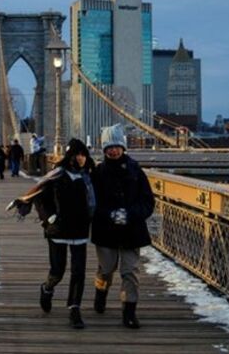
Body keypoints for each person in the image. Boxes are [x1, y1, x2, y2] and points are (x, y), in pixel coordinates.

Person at [10, 138, 95, 328]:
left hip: (80, 228)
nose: (81, 158)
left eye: (83, 154)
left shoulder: (89, 176)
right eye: (77, 154)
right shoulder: (57, 175)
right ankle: (47, 288)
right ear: (70, 156)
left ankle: (74, 308)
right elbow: (40, 198)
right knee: (58, 270)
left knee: (79, 272)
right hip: (58, 229)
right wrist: (49, 218)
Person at [91, 124, 154, 329]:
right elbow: (91, 203)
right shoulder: (97, 173)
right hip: (106, 230)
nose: (113, 150)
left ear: (123, 147)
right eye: (109, 147)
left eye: (117, 146)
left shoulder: (136, 171)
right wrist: (109, 214)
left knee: (130, 271)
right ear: (104, 149)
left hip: (131, 230)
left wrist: (129, 214)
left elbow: (148, 201)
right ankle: (101, 291)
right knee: (106, 269)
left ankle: (129, 312)